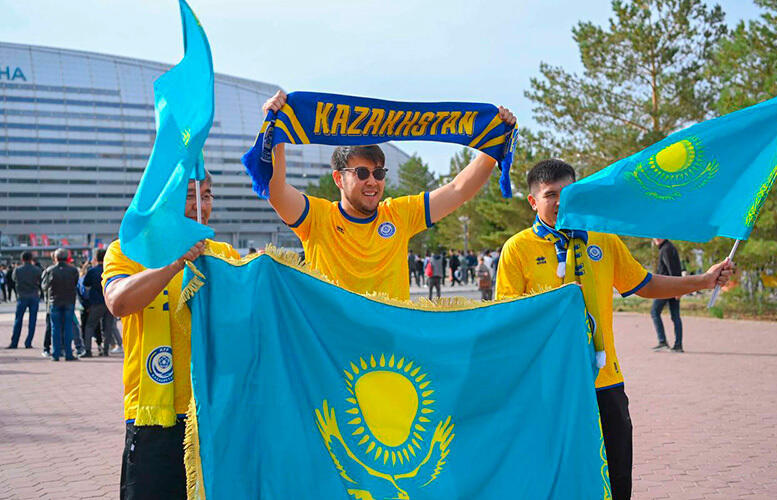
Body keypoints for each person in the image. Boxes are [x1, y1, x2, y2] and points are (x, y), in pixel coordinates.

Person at [494, 159, 733, 500]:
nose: (560, 201)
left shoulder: (603, 239)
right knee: (555, 479)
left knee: (617, 476)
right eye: (550, 195)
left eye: (568, 192)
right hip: (550, 385)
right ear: (533, 201)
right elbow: (508, 319)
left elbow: (645, 284)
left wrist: (703, 280)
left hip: (604, 380)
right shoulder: (518, 249)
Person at [261, 90, 516, 300]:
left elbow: (457, 190)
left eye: (379, 173)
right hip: (333, 344)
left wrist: (493, 145)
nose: (372, 181)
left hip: (391, 346)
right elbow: (276, 191)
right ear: (338, 178)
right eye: (362, 173)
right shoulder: (317, 218)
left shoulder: (398, 214)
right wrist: (276, 134)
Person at [103, 173, 240, 499]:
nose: (200, 205)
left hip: (213, 412)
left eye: (207, 196)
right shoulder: (128, 249)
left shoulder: (224, 255)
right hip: (155, 418)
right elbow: (118, 302)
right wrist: (176, 262)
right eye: (191, 195)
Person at [41, 248, 80, 362]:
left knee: (55, 328)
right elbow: (75, 284)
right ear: (67, 258)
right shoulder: (73, 270)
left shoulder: (50, 270)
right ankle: (68, 354)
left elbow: (44, 286)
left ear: (56, 258)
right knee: (68, 328)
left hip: (55, 301)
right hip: (69, 301)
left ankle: (56, 354)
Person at [651, 238, 684, 352]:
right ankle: (678, 345)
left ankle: (663, 342)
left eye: (659, 235)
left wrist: (678, 290)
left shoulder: (666, 249)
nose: (656, 238)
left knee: (654, 312)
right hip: (673, 287)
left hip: (666, 288)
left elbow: (672, 270)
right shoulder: (668, 247)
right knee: (675, 316)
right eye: (654, 236)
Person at [82, 248, 117, 357]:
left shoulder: (92, 271)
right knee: (108, 327)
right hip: (110, 302)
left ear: (96, 258)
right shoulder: (111, 270)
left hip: (96, 302)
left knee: (90, 326)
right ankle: (106, 350)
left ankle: (88, 350)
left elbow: (86, 285)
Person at [7, 252, 42, 349]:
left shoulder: (17, 270)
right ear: (31, 259)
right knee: (32, 320)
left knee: (18, 320)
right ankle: (28, 342)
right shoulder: (37, 270)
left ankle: (14, 342)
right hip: (34, 295)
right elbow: (40, 281)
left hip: (22, 296)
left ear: (22, 259)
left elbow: (14, 279)